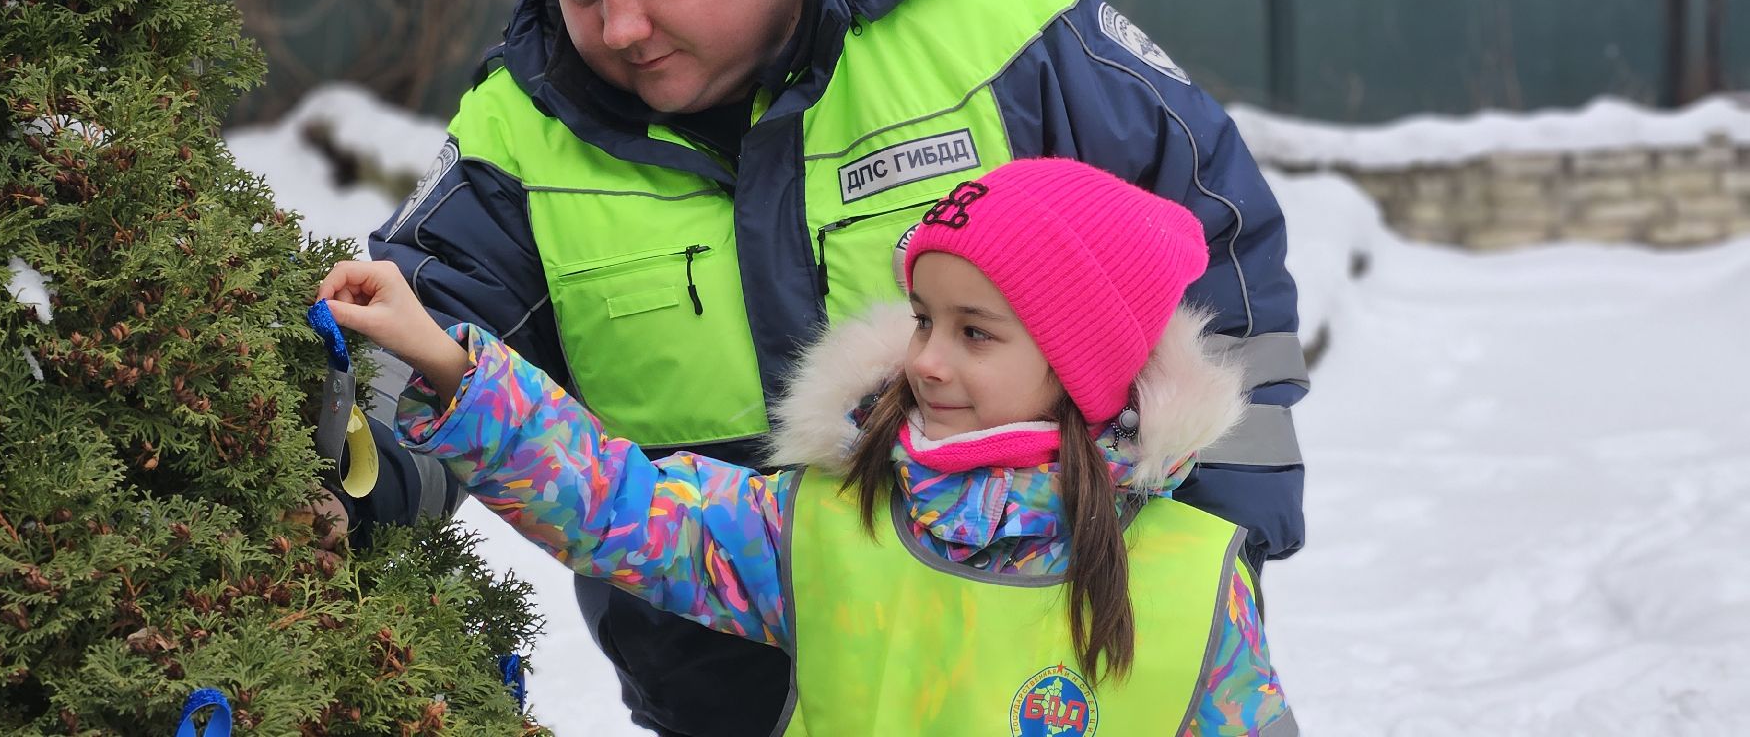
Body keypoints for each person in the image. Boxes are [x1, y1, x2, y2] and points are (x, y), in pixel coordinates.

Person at [360, 0, 1309, 736]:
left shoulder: (1004, 30)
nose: (619, 25)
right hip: (713, 698)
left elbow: (1220, 264)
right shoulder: (514, 132)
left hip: (1079, 672)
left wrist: (1210, 551)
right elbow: (416, 347)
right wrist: (356, 468)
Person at [327, 159, 1297, 735]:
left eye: (975, 333)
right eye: (923, 319)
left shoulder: (1189, 575)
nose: (926, 361)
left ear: (1078, 369)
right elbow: (620, 508)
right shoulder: (826, 524)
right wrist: (451, 369)